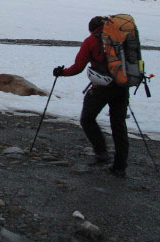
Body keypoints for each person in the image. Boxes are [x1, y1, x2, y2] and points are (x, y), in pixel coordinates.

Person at [53, 16, 129, 178]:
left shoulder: (91, 41)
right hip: (122, 86)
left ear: (91, 28)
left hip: (101, 86)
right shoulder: (121, 38)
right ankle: (120, 166)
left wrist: (62, 72)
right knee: (119, 124)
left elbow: (78, 67)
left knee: (87, 119)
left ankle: (102, 153)